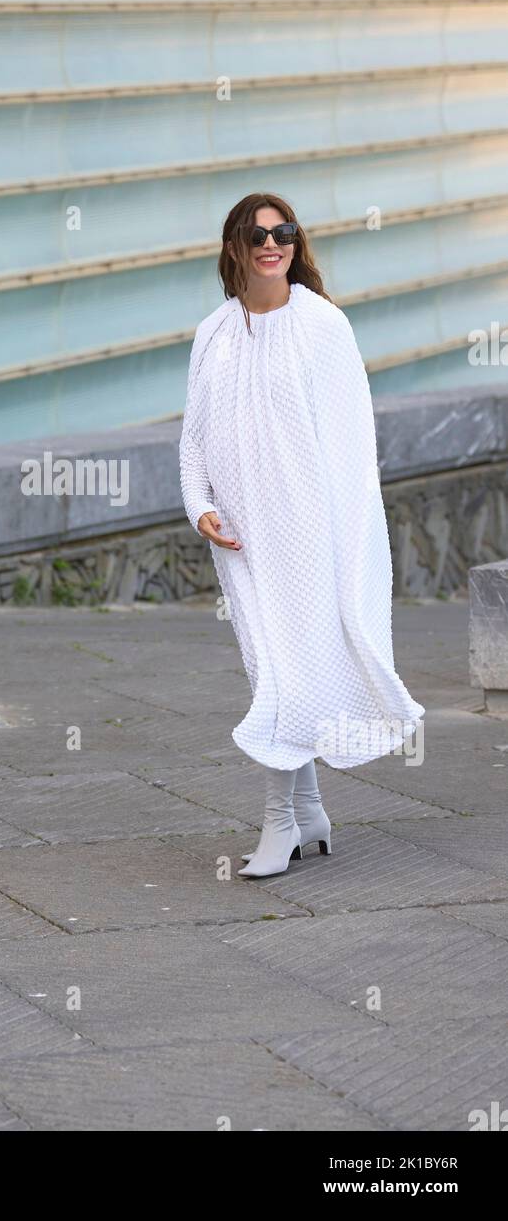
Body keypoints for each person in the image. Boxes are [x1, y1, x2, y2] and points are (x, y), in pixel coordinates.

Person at [178, 192, 424, 878]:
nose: (271, 244)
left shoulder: (324, 327)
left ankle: (281, 825)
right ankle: (307, 808)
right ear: (234, 246)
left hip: (309, 540)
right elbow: (193, 437)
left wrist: (350, 553)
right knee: (272, 675)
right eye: (256, 234)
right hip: (242, 542)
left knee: (286, 683)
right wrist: (198, 504)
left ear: (295, 242)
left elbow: (353, 453)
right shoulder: (214, 333)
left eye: (282, 232)